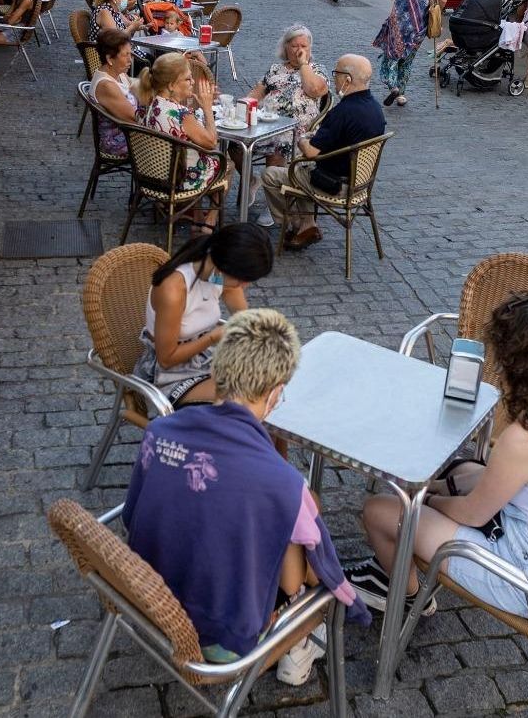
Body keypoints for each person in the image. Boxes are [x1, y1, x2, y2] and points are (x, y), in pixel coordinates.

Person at [123, 306, 370, 684]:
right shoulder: (282, 485)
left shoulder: (160, 431)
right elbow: (308, 579)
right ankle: (297, 643)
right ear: (275, 394)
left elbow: (131, 514)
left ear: (215, 372)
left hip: (146, 598)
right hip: (219, 645)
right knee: (300, 532)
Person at [349, 293, 528, 621]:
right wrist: (443, 485)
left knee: (380, 510)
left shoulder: (526, 438)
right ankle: (403, 552)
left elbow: (470, 514)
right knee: (461, 470)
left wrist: (425, 500)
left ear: (517, 365)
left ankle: (407, 596)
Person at [132, 223, 271, 405]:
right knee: (243, 400)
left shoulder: (215, 271)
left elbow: (243, 315)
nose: (245, 286)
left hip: (204, 356)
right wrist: (214, 337)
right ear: (225, 267)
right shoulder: (174, 290)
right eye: (243, 279)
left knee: (268, 380)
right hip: (168, 373)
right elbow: (166, 359)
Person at [261, 54, 385, 251]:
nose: (334, 78)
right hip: (359, 182)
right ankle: (308, 224)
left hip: (332, 184)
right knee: (301, 169)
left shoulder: (343, 112)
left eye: (336, 73)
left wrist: (302, 139)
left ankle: (297, 224)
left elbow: (311, 152)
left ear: (348, 79)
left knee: (271, 175)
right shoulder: (375, 109)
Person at [245, 25, 330, 228]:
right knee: (235, 145)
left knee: (278, 143)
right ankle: (252, 180)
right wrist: (239, 107)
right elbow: (255, 94)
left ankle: (273, 200)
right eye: (294, 45)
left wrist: (303, 65)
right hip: (268, 123)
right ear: (286, 48)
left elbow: (315, 90)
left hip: (300, 129)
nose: (298, 49)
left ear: (309, 48)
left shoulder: (316, 70)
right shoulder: (276, 69)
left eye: (303, 46)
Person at [134, 53, 222, 230]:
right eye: (188, 79)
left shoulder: (145, 104)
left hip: (150, 175)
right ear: (172, 85)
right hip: (179, 179)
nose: (193, 82)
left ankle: (196, 216)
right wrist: (207, 108)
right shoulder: (181, 115)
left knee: (201, 157)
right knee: (226, 164)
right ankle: (210, 219)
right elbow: (211, 142)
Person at [373, 0, 445, 108]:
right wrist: (434, 12)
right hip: (419, 26)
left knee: (392, 57)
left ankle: (394, 87)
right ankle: (401, 95)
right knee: (407, 61)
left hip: (398, 23)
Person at [88, 28, 136, 159]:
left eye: (130, 54)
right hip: (118, 141)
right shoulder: (106, 85)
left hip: (130, 133)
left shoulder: (118, 74)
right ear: (109, 58)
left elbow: (136, 87)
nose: (130, 60)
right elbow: (134, 118)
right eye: (125, 55)